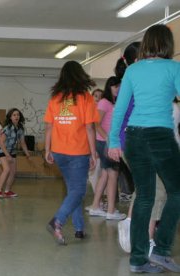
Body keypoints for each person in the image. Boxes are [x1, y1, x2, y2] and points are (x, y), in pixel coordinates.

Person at [108, 24, 180, 273]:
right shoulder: (174, 68)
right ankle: (160, 250)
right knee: (177, 193)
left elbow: (120, 109)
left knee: (145, 197)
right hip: (160, 136)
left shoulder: (133, 70)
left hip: (134, 137)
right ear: (168, 45)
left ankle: (138, 259)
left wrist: (113, 142)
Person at [44, 60, 99, 245]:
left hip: (59, 151)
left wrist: (47, 150)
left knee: (72, 190)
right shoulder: (86, 97)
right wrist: (94, 153)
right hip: (78, 152)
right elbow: (90, 128)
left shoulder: (55, 98)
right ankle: (57, 221)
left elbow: (49, 126)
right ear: (80, 75)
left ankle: (79, 228)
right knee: (78, 190)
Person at [88, 76, 126, 220]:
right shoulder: (104, 102)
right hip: (106, 143)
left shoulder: (115, 103)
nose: (118, 89)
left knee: (105, 174)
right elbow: (96, 124)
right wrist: (108, 139)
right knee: (113, 175)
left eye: (120, 87)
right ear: (109, 87)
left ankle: (95, 206)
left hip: (108, 142)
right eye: (115, 86)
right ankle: (110, 211)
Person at [0, 108, 30, 198]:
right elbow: (1, 142)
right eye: (14, 115)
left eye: (17, 115)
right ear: (10, 117)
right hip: (3, 151)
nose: (16, 116)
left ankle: (7, 191)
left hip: (12, 151)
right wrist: (7, 155)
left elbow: (22, 142)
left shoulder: (20, 129)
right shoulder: (7, 128)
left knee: (13, 172)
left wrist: (27, 153)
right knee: (6, 169)